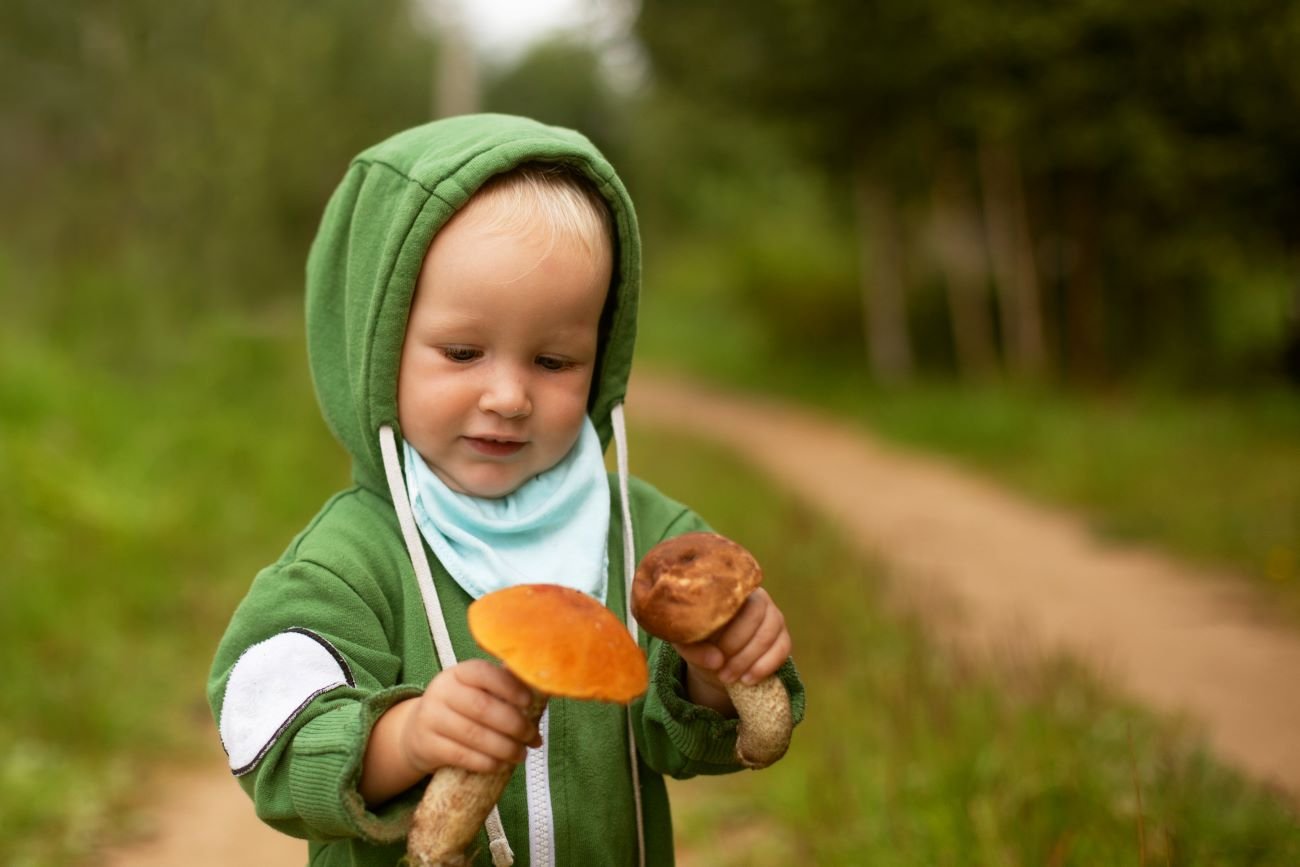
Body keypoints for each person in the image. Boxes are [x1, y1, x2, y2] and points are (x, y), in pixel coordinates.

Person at [207, 114, 804, 867]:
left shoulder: (641, 537)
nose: (509, 396)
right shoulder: (349, 558)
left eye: (554, 360)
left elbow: (684, 736)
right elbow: (267, 731)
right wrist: (405, 736)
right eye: (463, 352)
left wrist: (720, 672)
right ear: (376, 346)